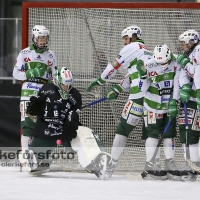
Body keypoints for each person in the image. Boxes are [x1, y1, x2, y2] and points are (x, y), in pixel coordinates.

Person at [18, 67, 111, 179]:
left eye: (69, 85)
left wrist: (71, 124)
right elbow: (39, 107)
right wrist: (35, 108)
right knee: (31, 165)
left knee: (84, 133)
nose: (66, 88)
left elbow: (73, 115)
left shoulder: (75, 95)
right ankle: (43, 162)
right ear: (57, 82)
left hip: (64, 130)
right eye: (64, 85)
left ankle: (97, 162)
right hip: (46, 129)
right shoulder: (47, 89)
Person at [86, 25, 152, 177]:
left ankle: (111, 165)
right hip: (153, 99)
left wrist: (101, 80)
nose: (124, 42)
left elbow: (113, 66)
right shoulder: (148, 50)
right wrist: (118, 89)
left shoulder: (131, 48)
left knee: (123, 129)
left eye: (126, 39)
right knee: (152, 133)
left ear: (133, 36)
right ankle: (153, 167)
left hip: (138, 97)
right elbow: (134, 74)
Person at [136, 44, 183, 181]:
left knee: (169, 135)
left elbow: (178, 82)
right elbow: (142, 89)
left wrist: (175, 100)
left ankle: (170, 162)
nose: (162, 65)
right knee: (153, 135)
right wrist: (143, 75)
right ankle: (152, 164)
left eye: (165, 62)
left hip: (169, 106)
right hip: (151, 107)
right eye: (159, 62)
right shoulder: (148, 65)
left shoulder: (175, 63)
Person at [12, 25, 57, 151]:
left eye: (45, 38)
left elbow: (54, 76)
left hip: (44, 93)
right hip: (28, 92)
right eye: (40, 38)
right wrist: (30, 73)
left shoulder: (51, 55)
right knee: (27, 124)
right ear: (34, 38)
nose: (43, 41)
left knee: (44, 124)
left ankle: (40, 154)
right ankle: (25, 154)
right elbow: (15, 74)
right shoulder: (24, 53)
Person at [176, 30, 200, 181]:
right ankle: (193, 166)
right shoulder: (192, 53)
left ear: (191, 41)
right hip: (195, 98)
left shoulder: (198, 51)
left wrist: (186, 64)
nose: (182, 46)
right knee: (192, 133)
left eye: (184, 43)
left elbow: (197, 73)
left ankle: (194, 166)